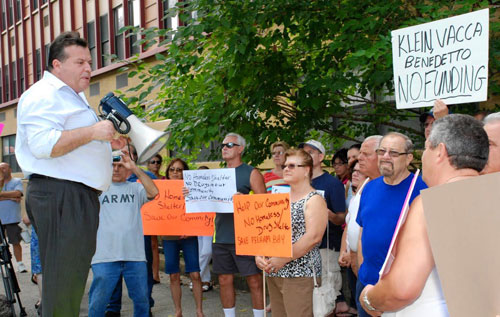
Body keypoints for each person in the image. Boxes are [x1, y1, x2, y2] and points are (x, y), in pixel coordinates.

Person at [15, 31, 124, 316]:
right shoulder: (44, 94)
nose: (89, 68)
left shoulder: (71, 97)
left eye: (89, 62)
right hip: (62, 195)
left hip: (71, 196)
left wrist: (104, 142)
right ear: (56, 65)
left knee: (70, 283)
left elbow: (72, 142)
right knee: (64, 284)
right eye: (80, 63)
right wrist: (92, 131)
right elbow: (43, 145)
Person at [359, 114, 488, 316]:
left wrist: (369, 299)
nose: (424, 156)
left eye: (427, 147)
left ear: (440, 152)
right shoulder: (489, 196)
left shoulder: (434, 204)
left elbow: (402, 289)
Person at [355, 132, 427, 317]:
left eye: (394, 153)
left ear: (409, 158)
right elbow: (363, 233)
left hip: (400, 290)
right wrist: (363, 271)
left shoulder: (423, 190)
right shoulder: (369, 187)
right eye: (382, 151)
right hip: (367, 285)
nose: (385, 157)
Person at [255, 148, 328, 316]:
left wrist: (283, 258)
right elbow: (266, 231)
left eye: (293, 165)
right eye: (286, 165)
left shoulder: (314, 199)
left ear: (306, 170)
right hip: (275, 270)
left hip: (300, 274)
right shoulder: (279, 198)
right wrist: (259, 254)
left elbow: (313, 237)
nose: (286, 168)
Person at [89, 148, 159, 316]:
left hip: (134, 256)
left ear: (127, 168)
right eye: (112, 165)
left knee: (142, 302)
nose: (116, 169)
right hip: (104, 257)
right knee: (97, 305)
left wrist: (134, 167)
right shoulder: (96, 189)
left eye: (120, 165)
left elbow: (154, 192)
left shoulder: (136, 189)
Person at [214, 132, 266, 317]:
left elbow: (265, 205)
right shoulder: (217, 175)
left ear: (240, 149)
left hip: (246, 236)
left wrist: (245, 200)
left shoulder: (251, 172)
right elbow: (203, 200)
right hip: (221, 235)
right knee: (224, 279)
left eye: (229, 145)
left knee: (253, 280)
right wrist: (191, 192)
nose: (224, 148)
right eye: (223, 145)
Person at [299, 140, 348, 315]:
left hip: (325, 248)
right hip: (300, 249)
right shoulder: (298, 182)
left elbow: (341, 218)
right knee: (306, 299)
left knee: (325, 298)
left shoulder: (332, 184)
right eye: (304, 152)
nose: (306, 155)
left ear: (321, 157)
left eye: (311, 152)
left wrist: (326, 213)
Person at [163, 158, 205, 317]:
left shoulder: (192, 188)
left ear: (184, 172)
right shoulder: (160, 189)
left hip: (189, 236)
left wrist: (192, 194)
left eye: (179, 169)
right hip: (169, 237)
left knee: (195, 274)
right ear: (168, 172)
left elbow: (201, 210)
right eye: (172, 169)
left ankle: (199, 311)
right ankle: (178, 311)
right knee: (173, 275)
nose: (175, 172)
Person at [338, 159, 368, 316]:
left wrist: (354, 253)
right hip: (351, 259)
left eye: (359, 171)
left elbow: (364, 231)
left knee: (364, 303)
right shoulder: (355, 197)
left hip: (360, 259)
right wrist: (344, 250)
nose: (355, 174)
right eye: (354, 171)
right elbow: (348, 226)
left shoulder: (368, 195)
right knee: (358, 302)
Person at [0, 162, 26, 273]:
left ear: (10, 169)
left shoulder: (17, 181)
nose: (2, 170)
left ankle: (20, 263)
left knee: (15, 241)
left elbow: (18, 194)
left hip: (12, 218)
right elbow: (14, 195)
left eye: (3, 168)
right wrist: (11, 197)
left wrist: (2, 195)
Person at [195, 165, 214, 293]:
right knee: (200, 252)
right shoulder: (193, 189)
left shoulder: (215, 189)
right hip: (196, 223)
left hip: (210, 224)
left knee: (207, 252)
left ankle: (196, 278)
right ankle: (205, 280)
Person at [146, 154, 162, 284]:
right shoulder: (142, 178)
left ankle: (156, 274)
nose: (155, 164)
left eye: (158, 162)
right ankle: (150, 273)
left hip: (162, 214)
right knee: (150, 244)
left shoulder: (164, 178)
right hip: (147, 214)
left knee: (155, 245)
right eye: (153, 162)